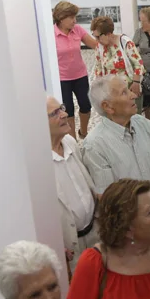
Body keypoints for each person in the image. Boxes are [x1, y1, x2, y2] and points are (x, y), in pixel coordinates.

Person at [82, 75, 150, 195]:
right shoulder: (95, 146)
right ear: (107, 106)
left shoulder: (143, 123)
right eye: (124, 93)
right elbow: (108, 197)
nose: (133, 95)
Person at [46, 96, 99, 273]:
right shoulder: (38, 164)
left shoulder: (69, 141)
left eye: (61, 108)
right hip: (70, 251)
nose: (65, 114)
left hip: (94, 235)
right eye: (55, 113)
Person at [53, 1, 98, 139]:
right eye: (71, 17)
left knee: (86, 106)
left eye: (75, 17)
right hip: (62, 78)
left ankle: (83, 132)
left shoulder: (77, 29)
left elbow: (95, 45)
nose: (75, 20)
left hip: (80, 75)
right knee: (69, 111)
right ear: (61, 18)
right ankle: (73, 142)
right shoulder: (51, 34)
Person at [90, 16, 147, 113]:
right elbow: (99, 68)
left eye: (98, 36)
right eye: (94, 36)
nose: (96, 40)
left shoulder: (125, 42)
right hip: (111, 93)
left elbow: (138, 64)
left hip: (129, 89)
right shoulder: (99, 47)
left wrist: (136, 83)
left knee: (133, 118)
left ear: (108, 34)